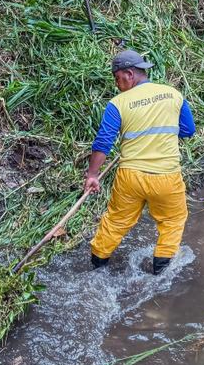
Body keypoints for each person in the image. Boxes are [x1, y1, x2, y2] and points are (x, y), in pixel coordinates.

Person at [84, 50, 196, 275]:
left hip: (130, 177)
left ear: (129, 74)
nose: (117, 84)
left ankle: (97, 266)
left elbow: (103, 142)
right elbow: (188, 130)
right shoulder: (173, 94)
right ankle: (161, 271)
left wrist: (93, 175)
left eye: (117, 78)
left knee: (116, 220)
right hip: (167, 177)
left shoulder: (117, 103)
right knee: (173, 220)